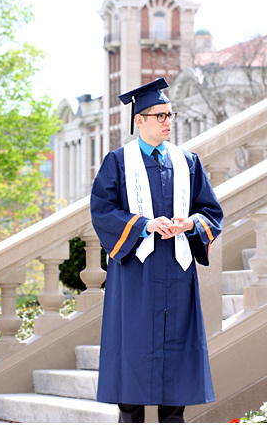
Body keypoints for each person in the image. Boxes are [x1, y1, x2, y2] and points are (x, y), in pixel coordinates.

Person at [90, 78, 224, 423]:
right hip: (136, 276)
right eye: (159, 115)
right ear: (139, 120)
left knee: (176, 370)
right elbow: (101, 211)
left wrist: (189, 224)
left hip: (177, 276)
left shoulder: (187, 162)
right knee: (132, 364)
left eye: (170, 115)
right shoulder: (118, 162)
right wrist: (143, 225)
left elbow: (211, 212)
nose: (167, 122)